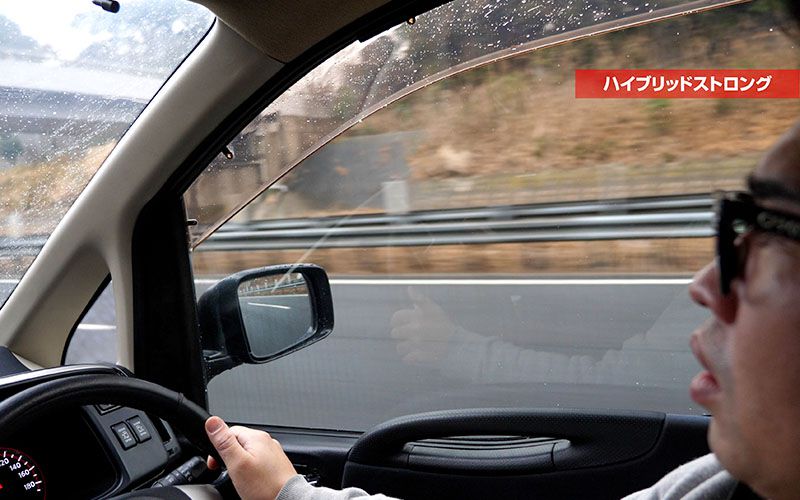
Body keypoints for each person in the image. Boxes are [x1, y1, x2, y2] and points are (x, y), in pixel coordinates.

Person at [203, 121, 800, 500]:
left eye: (773, 235)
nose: (705, 284)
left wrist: (289, 496)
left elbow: (614, 377)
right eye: (737, 228)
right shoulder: (716, 484)